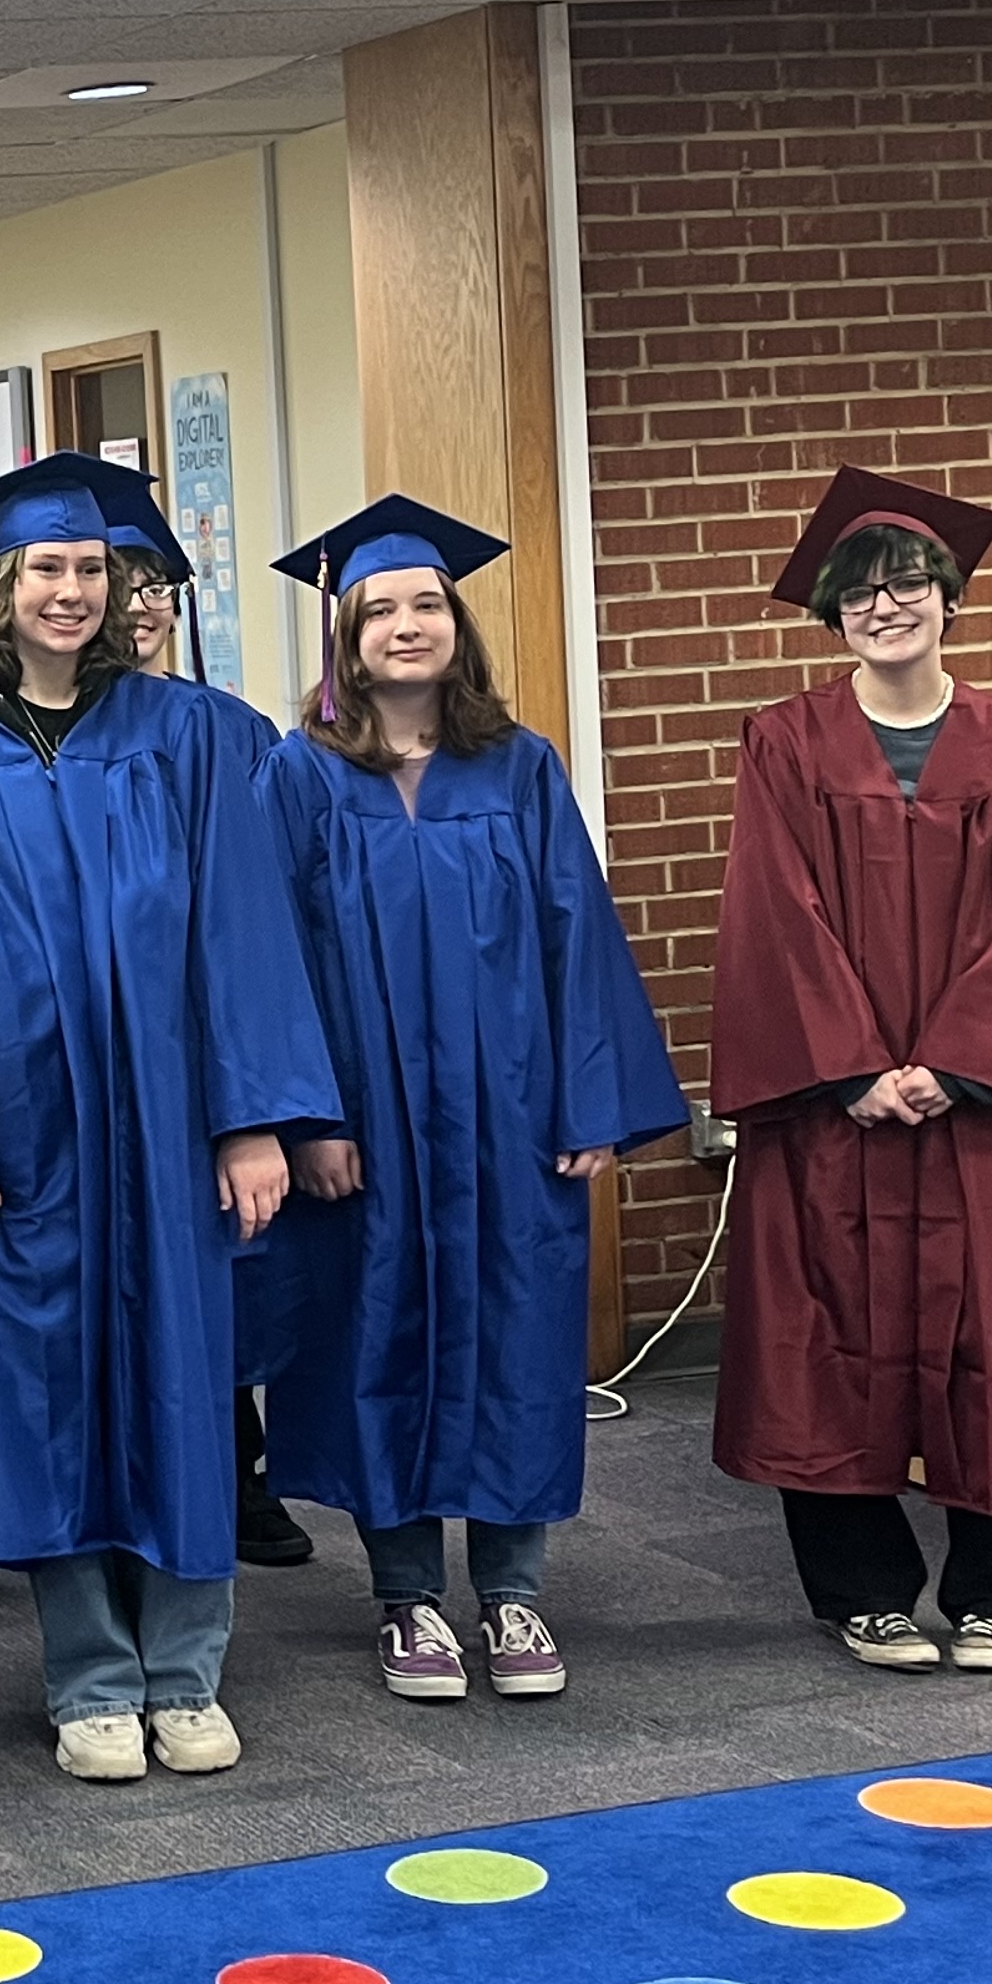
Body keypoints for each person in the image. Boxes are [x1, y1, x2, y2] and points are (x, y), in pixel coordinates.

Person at [0, 454, 336, 1786]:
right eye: (44, 570)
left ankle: (185, 1669)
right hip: (29, 1134)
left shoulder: (193, 734)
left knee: (184, 1380)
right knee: (49, 1394)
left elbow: (241, 927)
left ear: (122, 589)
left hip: (174, 1121)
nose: (69, 592)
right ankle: (88, 1676)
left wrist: (252, 1120)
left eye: (90, 570)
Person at [254, 498, 686, 1705]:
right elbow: (269, 954)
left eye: (427, 605)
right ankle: (406, 1598)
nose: (407, 626)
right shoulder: (298, 773)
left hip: (507, 1115)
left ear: (458, 625)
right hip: (366, 1125)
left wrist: (588, 1102)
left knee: (515, 1335)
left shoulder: (522, 764)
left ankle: (512, 1591)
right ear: (345, 636)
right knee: (376, 1336)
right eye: (380, 610)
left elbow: (576, 933)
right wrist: (308, 1117)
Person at [710, 468, 992, 1673]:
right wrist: (854, 1067)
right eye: (861, 592)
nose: (887, 607)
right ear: (833, 614)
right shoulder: (785, 743)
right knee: (824, 1340)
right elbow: (773, 914)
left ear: (948, 597)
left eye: (910, 583)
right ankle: (862, 1591)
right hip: (841, 1110)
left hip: (978, 1113)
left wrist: (958, 1064)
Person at [97, 472, 317, 1576]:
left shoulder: (237, 731)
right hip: (111, 1038)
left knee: (233, 1258)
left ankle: (239, 1467)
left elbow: (259, 902)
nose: (141, 608)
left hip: (213, 1036)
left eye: (157, 589)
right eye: (120, 586)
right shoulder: (42, 741)